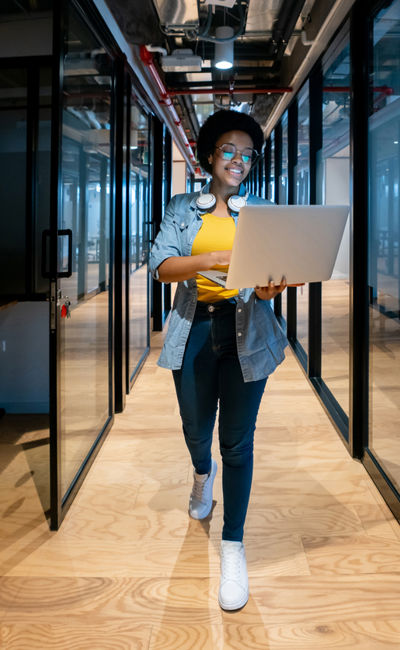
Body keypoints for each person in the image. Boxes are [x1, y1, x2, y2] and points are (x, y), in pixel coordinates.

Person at [148, 109, 289, 611]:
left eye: (248, 154)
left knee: (237, 443)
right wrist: (212, 259)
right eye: (229, 150)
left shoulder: (264, 210)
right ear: (210, 156)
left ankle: (233, 544)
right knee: (194, 428)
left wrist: (272, 288)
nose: (239, 160)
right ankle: (199, 473)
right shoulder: (183, 206)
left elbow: (268, 281)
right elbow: (162, 267)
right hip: (195, 327)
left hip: (247, 330)